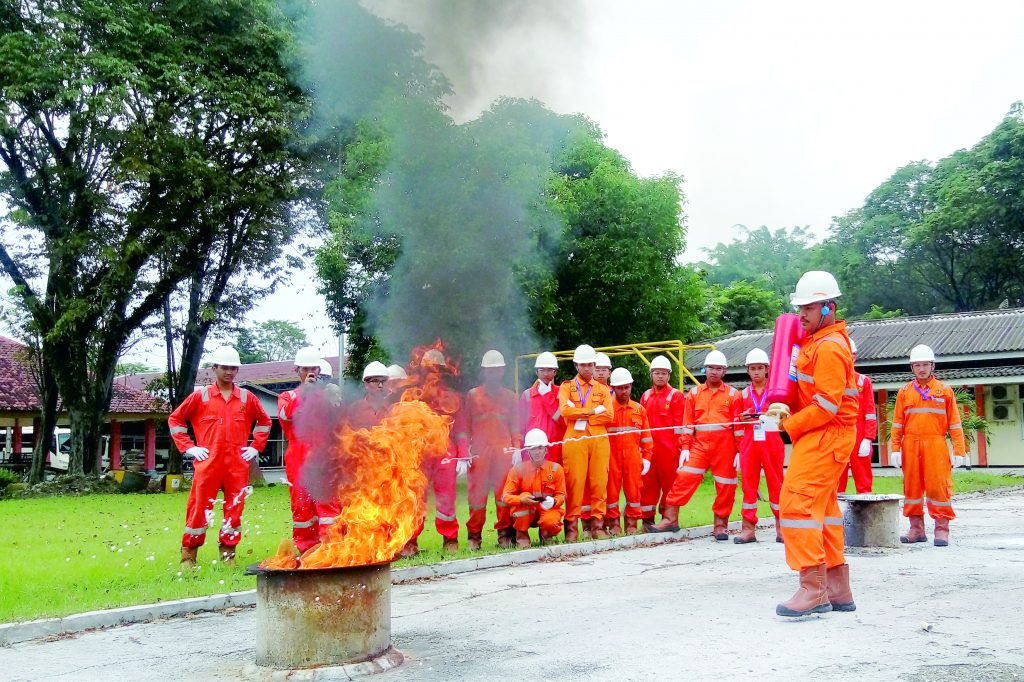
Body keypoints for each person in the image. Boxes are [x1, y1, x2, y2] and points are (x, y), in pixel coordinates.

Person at [766, 270, 859, 617]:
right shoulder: (815, 343)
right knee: (824, 512)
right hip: (823, 435)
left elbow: (827, 405)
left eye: (809, 307)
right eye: (799, 307)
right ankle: (838, 589)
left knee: (796, 504)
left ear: (828, 308)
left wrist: (788, 426)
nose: (801, 314)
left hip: (826, 434)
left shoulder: (830, 348)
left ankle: (813, 589)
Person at [170, 346, 271, 567]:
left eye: (233, 368)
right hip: (208, 463)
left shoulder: (247, 398)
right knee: (199, 509)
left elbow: (265, 421)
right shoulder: (200, 397)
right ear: (214, 368)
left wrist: (256, 447)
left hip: (237, 465)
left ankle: (228, 554)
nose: (229, 372)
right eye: (225, 367)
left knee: (234, 509)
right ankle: (189, 556)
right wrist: (188, 447)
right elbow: (175, 420)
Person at [647, 350, 739, 541]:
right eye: (710, 368)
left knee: (726, 485)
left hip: (725, 447)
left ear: (724, 371)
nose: (713, 371)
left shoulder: (734, 395)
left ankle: (720, 525)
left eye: (718, 368)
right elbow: (687, 425)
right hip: (699, 445)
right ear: (704, 369)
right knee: (683, 478)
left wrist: (740, 450)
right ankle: (670, 519)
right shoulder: (694, 394)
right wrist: (686, 448)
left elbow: (738, 427)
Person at [891, 344, 967, 546]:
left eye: (925, 364)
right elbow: (897, 423)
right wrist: (895, 448)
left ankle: (942, 530)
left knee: (938, 487)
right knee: (912, 488)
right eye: (917, 365)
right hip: (911, 445)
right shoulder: (905, 392)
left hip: (936, 444)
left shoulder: (944, 391)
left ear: (933, 366)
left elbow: (955, 423)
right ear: (912, 368)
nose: (922, 369)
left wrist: (960, 450)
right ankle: (916, 529)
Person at [278, 348, 341, 554]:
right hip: (298, 461)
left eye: (313, 368)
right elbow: (286, 417)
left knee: (328, 506)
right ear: (297, 370)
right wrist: (304, 393)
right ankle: (307, 550)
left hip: (323, 459)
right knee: (302, 507)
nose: (310, 372)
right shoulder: (287, 397)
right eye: (306, 369)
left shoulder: (327, 396)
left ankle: (331, 548)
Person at [404, 349, 462, 555]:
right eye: (429, 368)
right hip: (420, 452)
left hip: (445, 451)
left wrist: (462, 454)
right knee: (415, 498)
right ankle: (410, 541)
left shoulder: (452, 396)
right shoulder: (413, 394)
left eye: (437, 368)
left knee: (447, 497)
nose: (433, 372)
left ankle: (450, 538)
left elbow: (461, 428)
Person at [465, 350, 521, 549]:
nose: (494, 374)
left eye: (497, 370)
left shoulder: (510, 397)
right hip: (480, 454)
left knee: (503, 497)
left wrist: (517, 449)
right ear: (484, 372)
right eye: (490, 370)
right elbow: (464, 427)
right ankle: (474, 537)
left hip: (503, 454)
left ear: (503, 371)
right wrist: (465, 452)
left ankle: (504, 534)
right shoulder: (472, 396)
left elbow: (515, 426)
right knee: (477, 498)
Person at [558, 344, 614, 541]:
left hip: (599, 439)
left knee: (600, 481)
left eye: (590, 364)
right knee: (575, 482)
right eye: (583, 365)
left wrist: (581, 413)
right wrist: (592, 411)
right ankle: (572, 527)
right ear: (576, 365)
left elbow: (609, 415)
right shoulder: (566, 387)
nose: (587, 368)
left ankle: (598, 524)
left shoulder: (603, 389)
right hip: (575, 439)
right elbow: (565, 411)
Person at [732, 348, 785, 544]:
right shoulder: (742, 394)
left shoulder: (775, 392)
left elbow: (785, 416)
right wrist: (741, 419)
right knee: (748, 486)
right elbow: (736, 424)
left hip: (771, 441)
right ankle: (748, 529)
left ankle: (782, 528)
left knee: (777, 484)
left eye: (759, 368)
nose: (756, 372)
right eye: (752, 368)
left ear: (766, 369)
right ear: (747, 370)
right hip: (749, 443)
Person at [639, 355, 686, 527]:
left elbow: (681, 425)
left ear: (669, 375)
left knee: (670, 486)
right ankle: (647, 519)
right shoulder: (645, 396)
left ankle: (669, 519)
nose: (660, 376)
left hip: (669, 452)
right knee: (647, 486)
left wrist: (681, 449)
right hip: (650, 451)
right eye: (657, 373)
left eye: (664, 373)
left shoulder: (676, 396)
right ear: (651, 374)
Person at [606, 367, 653, 535]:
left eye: (627, 387)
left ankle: (632, 525)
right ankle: (614, 525)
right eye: (620, 388)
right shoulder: (607, 410)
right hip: (611, 458)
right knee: (611, 494)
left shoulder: (639, 410)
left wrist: (647, 457)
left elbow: (646, 437)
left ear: (631, 386)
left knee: (634, 492)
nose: (624, 391)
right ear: (613, 388)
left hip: (633, 458)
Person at [502, 428, 567, 547]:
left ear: (546, 449)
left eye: (540, 448)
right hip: (526, 511)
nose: (537, 452)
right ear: (527, 451)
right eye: (533, 448)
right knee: (524, 496)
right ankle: (522, 537)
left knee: (551, 521)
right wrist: (521, 500)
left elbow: (561, 495)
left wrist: (554, 501)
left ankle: (546, 536)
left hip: (546, 509)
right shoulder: (518, 470)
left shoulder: (556, 469)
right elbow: (506, 497)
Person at [835, 339, 878, 494]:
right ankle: (838, 515)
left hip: (859, 434)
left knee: (863, 480)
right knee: (837, 480)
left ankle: (865, 515)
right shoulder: (830, 380)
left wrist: (868, 438)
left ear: (854, 356)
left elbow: (870, 413)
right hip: (837, 433)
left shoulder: (863, 381)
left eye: (850, 354)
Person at [518, 352, 565, 464]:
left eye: (549, 370)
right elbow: (520, 427)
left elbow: (562, 421)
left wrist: (547, 395)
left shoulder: (561, 393)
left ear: (555, 372)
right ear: (536, 372)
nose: (545, 373)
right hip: (531, 451)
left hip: (555, 449)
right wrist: (519, 450)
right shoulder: (527, 395)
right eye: (542, 370)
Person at [345, 361, 392, 431]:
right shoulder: (355, 409)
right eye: (375, 381)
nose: (380, 385)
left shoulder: (393, 408)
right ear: (366, 384)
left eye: (384, 381)